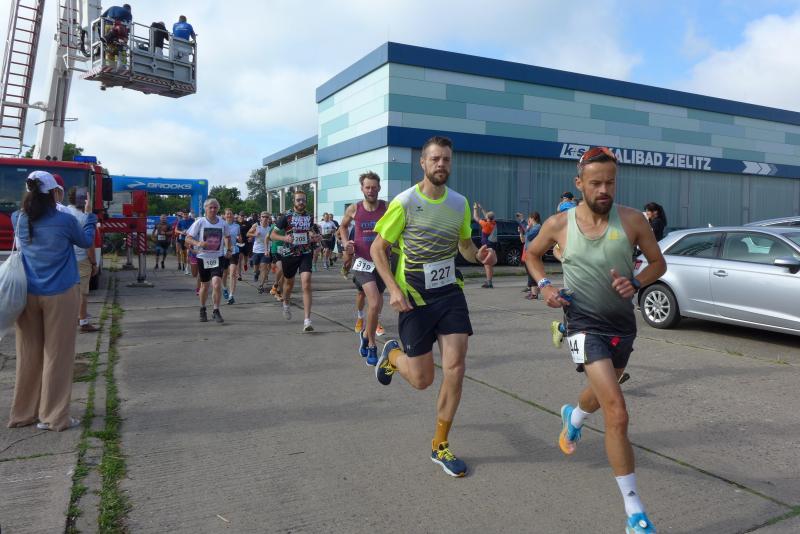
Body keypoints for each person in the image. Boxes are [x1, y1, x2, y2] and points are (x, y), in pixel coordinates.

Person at [525, 146, 666, 533]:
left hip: (622, 326)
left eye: (610, 183)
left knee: (603, 393)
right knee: (617, 411)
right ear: (579, 183)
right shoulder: (559, 224)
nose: (604, 190)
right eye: (596, 183)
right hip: (582, 324)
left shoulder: (633, 220)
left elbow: (658, 263)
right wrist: (545, 286)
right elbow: (531, 254)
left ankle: (574, 417)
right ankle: (635, 512)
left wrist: (636, 281)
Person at [371, 136, 496, 478]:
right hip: (413, 298)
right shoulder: (405, 202)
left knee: (455, 367)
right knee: (422, 379)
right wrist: (393, 289)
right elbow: (378, 249)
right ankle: (393, 355)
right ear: (423, 163)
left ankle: (440, 444)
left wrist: (480, 255)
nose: (441, 164)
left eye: (446, 159)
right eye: (435, 159)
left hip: (450, 294)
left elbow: (465, 246)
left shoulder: (459, 203)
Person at [8, 171, 96, 431]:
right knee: (57, 355)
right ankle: (54, 416)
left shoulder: (17, 218)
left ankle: (23, 413)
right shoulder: (65, 221)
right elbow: (85, 241)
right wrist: (90, 217)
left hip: (27, 293)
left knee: (28, 354)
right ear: (54, 193)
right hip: (60, 292)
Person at [339, 172, 388, 365]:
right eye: (367, 187)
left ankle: (366, 336)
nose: (371, 190)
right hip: (362, 262)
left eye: (374, 187)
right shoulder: (354, 208)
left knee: (377, 305)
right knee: (374, 302)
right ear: (362, 189)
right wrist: (346, 243)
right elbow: (343, 227)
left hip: (382, 262)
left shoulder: (386, 207)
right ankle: (372, 346)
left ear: (379, 188)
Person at [271, 190, 320, 332]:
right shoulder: (286, 216)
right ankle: (286, 303)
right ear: (294, 201)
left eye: (303, 200)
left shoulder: (309, 216)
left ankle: (307, 320)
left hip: (305, 253)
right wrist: (284, 238)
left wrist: (314, 237)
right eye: (298, 200)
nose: (301, 202)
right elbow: (272, 235)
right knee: (289, 284)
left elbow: (310, 231)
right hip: (289, 254)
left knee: (306, 282)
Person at [185, 199, 232, 323]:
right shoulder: (200, 222)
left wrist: (229, 249)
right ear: (205, 209)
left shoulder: (223, 223)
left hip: (218, 257)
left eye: (215, 207)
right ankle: (202, 309)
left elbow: (227, 237)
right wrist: (198, 243)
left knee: (216, 284)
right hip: (203, 257)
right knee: (205, 286)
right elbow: (188, 238)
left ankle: (216, 310)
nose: (213, 210)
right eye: (210, 207)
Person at [65, 187, 99, 333]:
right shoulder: (85, 217)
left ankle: (69, 318)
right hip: (81, 259)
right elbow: (89, 244)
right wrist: (94, 263)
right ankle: (83, 321)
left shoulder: (65, 212)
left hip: (66, 258)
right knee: (82, 292)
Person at [472, 202, 497, 288]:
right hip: (491, 246)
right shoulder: (494, 223)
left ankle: (489, 282)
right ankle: (489, 281)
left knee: (487, 265)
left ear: (487, 218)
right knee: (489, 265)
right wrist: (482, 208)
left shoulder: (485, 224)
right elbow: (487, 216)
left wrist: (475, 208)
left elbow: (476, 217)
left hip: (486, 246)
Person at [247, 211, 272, 293]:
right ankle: (256, 273)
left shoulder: (270, 227)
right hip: (256, 250)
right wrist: (255, 234)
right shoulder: (256, 225)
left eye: (266, 217)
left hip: (266, 250)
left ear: (269, 218)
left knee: (264, 267)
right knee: (255, 268)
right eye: (263, 217)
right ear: (260, 218)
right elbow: (248, 234)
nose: (265, 218)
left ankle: (261, 285)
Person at [520, 212, 542, 299]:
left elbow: (529, 236)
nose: (528, 220)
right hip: (528, 251)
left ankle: (534, 294)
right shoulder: (534, 227)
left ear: (533, 218)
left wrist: (528, 228)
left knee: (532, 272)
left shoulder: (537, 227)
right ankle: (533, 292)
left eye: (529, 218)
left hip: (532, 252)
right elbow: (525, 237)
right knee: (530, 272)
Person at [221, 208, 240, 305]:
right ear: (224, 215)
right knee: (224, 274)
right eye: (227, 214)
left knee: (232, 273)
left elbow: (239, 238)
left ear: (233, 215)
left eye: (230, 214)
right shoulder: (221, 225)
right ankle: (224, 288)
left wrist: (240, 239)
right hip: (223, 252)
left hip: (234, 251)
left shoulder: (237, 226)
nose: (229, 215)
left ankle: (231, 295)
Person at [175, 209, 194, 274]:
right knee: (184, 253)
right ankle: (185, 265)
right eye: (184, 214)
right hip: (183, 239)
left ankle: (187, 268)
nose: (185, 215)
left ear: (188, 214)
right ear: (182, 214)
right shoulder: (180, 221)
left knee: (188, 253)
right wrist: (181, 232)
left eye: (186, 214)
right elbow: (176, 230)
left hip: (190, 239)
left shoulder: (192, 220)